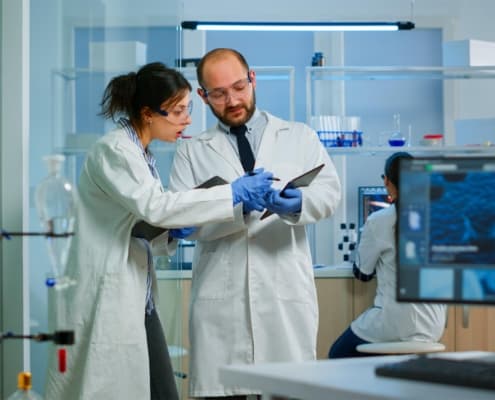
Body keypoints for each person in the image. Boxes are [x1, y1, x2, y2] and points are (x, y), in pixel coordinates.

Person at [44, 62, 274, 400]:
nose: (188, 120)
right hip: (110, 288)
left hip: (137, 291)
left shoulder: (139, 153)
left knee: (160, 388)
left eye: (189, 109)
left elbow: (140, 222)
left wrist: (172, 232)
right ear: (149, 113)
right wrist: (231, 193)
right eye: (179, 111)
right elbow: (156, 207)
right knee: (115, 385)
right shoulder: (116, 150)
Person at [168, 48, 342, 399]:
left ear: (253, 79)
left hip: (284, 297)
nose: (232, 100)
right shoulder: (192, 150)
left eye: (238, 87)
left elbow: (330, 193)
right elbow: (181, 215)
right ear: (202, 96)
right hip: (221, 306)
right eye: (218, 93)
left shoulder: (299, 136)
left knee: (288, 390)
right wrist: (233, 205)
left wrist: (298, 204)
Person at [328, 152, 447, 358]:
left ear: (387, 182)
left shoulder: (379, 220)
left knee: (337, 354)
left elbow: (362, 274)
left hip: (394, 322)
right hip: (433, 324)